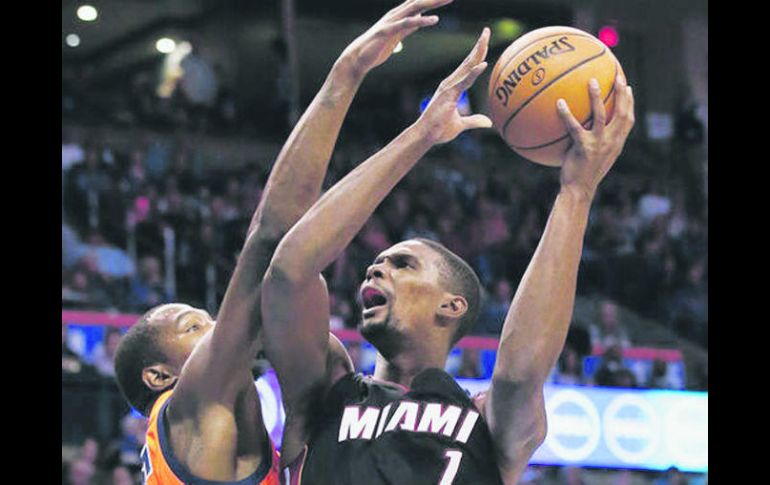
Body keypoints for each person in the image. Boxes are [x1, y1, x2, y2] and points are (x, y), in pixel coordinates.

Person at [261, 9, 636, 484]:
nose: (376, 272)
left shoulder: (487, 423)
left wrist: (576, 193)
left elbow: (519, 375)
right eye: (377, 264)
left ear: (452, 305)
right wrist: (418, 135)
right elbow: (289, 271)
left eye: (402, 264)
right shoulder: (327, 389)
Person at [112, 0, 441, 482]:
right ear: (161, 377)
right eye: (192, 328)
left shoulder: (222, 440)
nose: (219, 327)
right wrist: (346, 74)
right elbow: (270, 239)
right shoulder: (189, 407)